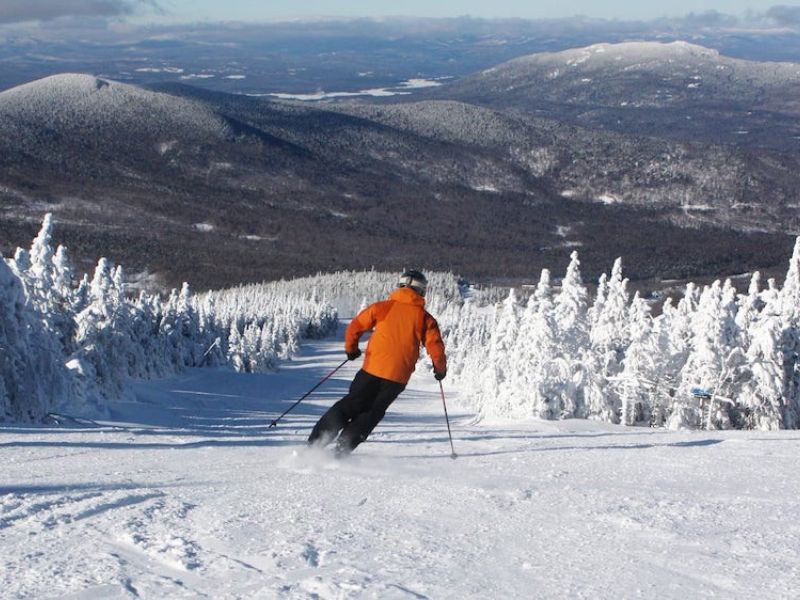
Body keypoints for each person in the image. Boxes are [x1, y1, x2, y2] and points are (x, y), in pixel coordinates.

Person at [308, 269, 447, 455]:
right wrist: (440, 370)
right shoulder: (425, 319)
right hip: (397, 377)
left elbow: (355, 327)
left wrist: (352, 349)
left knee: (350, 405)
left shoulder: (382, 307)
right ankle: (341, 451)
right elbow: (435, 346)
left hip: (371, 370)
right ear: (421, 291)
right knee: (372, 412)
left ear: (400, 286)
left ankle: (315, 444)